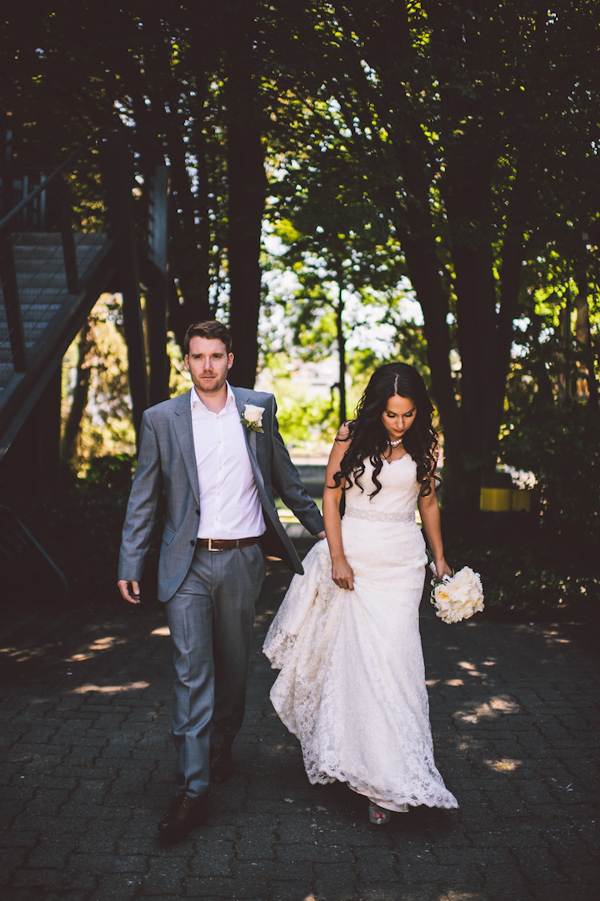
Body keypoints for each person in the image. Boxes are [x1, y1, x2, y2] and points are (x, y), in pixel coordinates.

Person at [117, 320, 325, 844]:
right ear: (185, 361)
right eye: (196, 356)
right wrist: (129, 562)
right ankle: (193, 790)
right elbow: (144, 497)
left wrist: (331, 538)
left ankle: (222, 741)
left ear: (230, 359)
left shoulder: (258, 408)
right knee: (192, 672)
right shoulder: (161, 420)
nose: (206, 365)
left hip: (243, 561)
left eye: (215, 356)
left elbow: (286, 481)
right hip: (184, 564)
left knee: (233, 665)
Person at [263, 362, 458, 825]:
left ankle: (398, 767)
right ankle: (370, 773)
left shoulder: (425, 441)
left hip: (402, 566)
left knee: (397, 662)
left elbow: (427, 502)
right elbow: (331, 498)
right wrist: (337, 557)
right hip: (356, 561)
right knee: (359, 664)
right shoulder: (351, 435)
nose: (400, 423)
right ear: (378, 408)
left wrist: (440, 558)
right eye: (392, 415)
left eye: (408, 415)